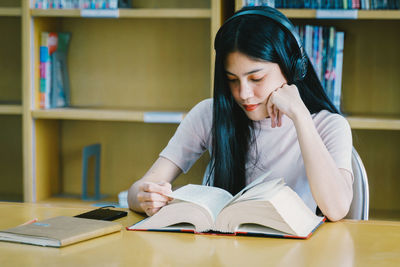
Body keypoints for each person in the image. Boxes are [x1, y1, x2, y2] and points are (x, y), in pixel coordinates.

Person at [128, 6, 353, 222]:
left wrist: (301, 117)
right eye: (232, 80)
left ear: (291, 68)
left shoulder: (328, 125)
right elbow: (137, 191)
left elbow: (336, 209)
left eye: (256, 79)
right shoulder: (209, 114)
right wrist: (146, 197)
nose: (244, 94)